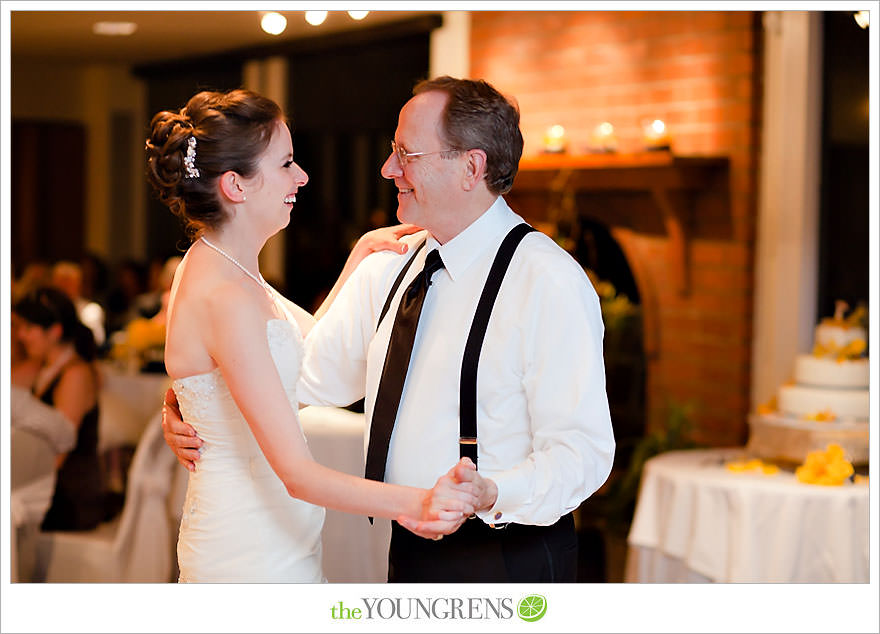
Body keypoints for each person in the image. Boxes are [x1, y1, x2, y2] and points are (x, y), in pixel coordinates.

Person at [164, 76, 615, 583]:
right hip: (409, 546)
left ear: (471, 166)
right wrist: (193, 394)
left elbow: (583, 453)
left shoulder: (546, 280)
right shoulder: (390, 263)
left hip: (507, 554)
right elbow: (304, 373)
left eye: (406, 154)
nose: (387, 169)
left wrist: (492, 491)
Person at [145, 88, 477, 583]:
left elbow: (299, 354)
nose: (301, 177)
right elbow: (298, 475)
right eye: (286, 164)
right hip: (248, 554)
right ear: (236, 185)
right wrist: (419, 502)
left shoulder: (224, 265)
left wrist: (358, 256)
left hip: (274, 535)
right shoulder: (225, 295)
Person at [12, 286, 105, 531]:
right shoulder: (43, 367)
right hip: (48, 485)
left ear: (54, 331)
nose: (21, 335)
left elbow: (61, 450)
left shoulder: (76, 374)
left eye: (28, 328)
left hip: (69, 495)